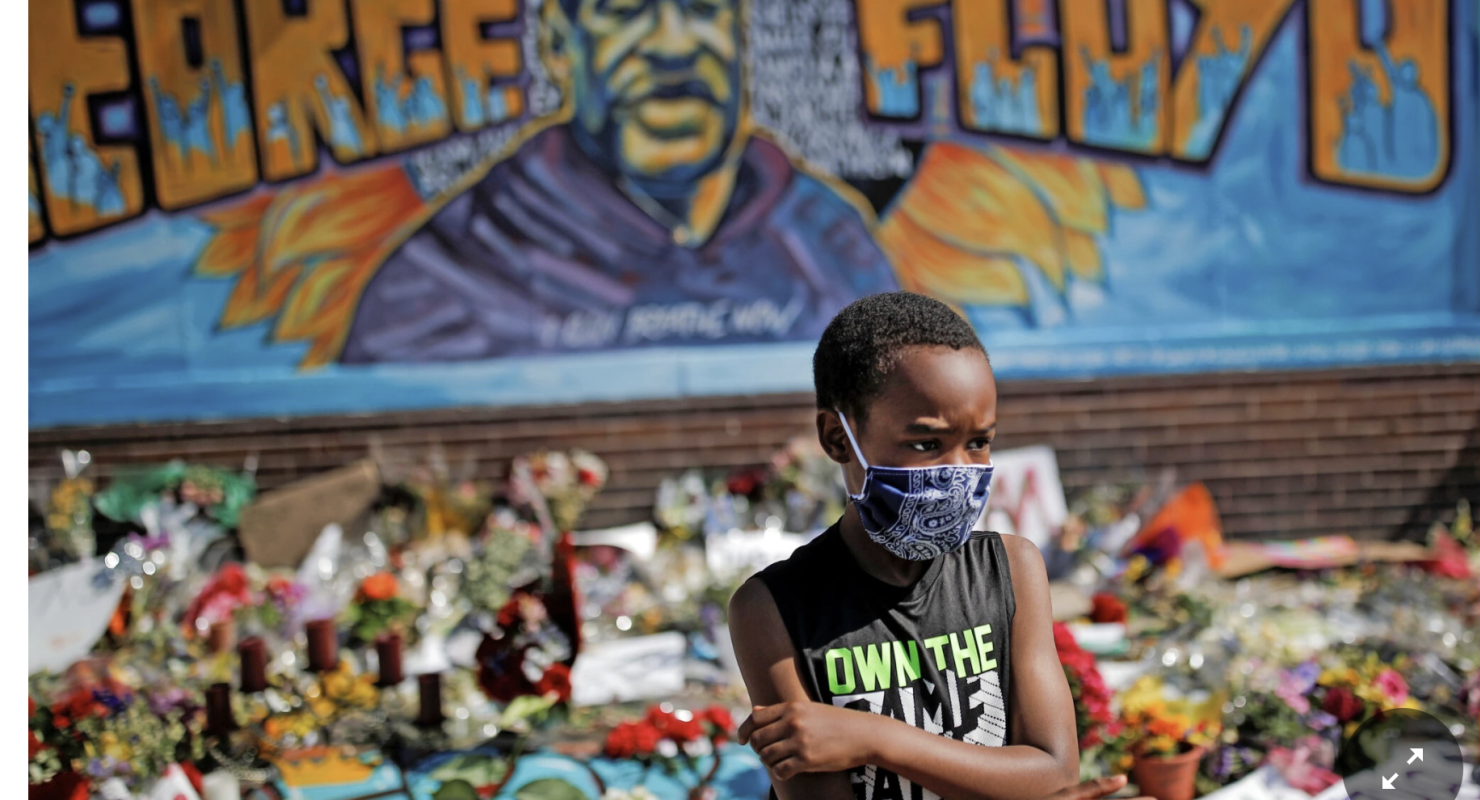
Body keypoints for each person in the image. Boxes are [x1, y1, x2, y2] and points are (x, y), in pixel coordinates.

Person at [729, 293, 1149, 800]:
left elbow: (1053, 771)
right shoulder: (774, 608)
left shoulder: (1011, 570)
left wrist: (875, 739)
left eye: (978, 441)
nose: (960, 471)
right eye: (926, 444)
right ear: (838, 438)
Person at [339, 0, 896, 364]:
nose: (673, 47)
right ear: (560, 44)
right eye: (625, 12)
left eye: (703, 9)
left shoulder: (830, 242)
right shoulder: (451, 272)